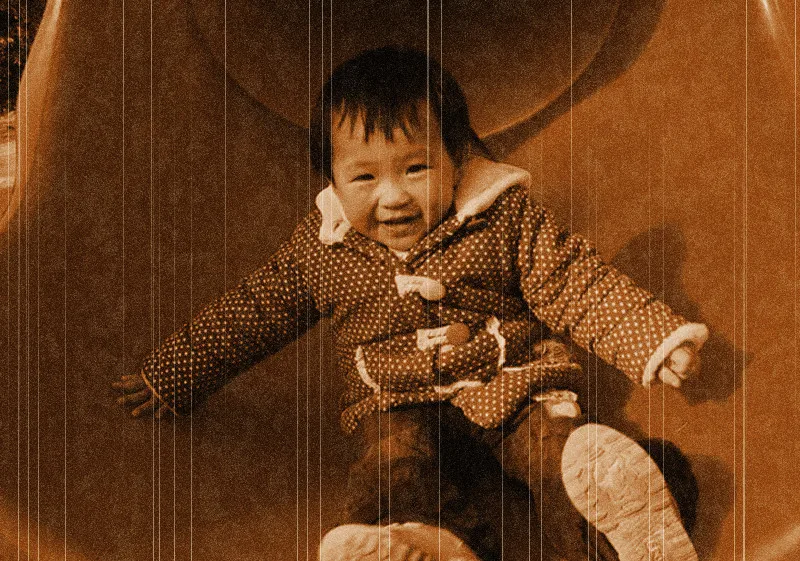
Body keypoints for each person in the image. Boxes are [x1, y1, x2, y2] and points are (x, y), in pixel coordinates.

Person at [113, 46, 708, 561]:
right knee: (394, 464)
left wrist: (653, 339)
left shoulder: (501, 217)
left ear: (459, 157)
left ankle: (626, 527)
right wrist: (176, 373)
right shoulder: (322, 250)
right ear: (331, 179)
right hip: (397, 398)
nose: (393, 196)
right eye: (364, 178)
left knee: (560, 452)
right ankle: (418, 542)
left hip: (510, 381)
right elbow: (255, 310)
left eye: (417, 168)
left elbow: (573, 279)